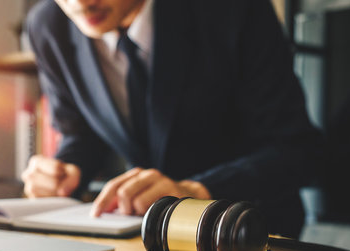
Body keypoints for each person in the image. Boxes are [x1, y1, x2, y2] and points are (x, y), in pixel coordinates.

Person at [21, 0, 322, 238]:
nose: (80, 3)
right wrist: (66, 171)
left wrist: (194, 192)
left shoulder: (232, 8)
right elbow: (79, 135)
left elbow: (297, 149)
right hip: (137, 235)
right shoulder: (48, 27)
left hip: (246, 232)